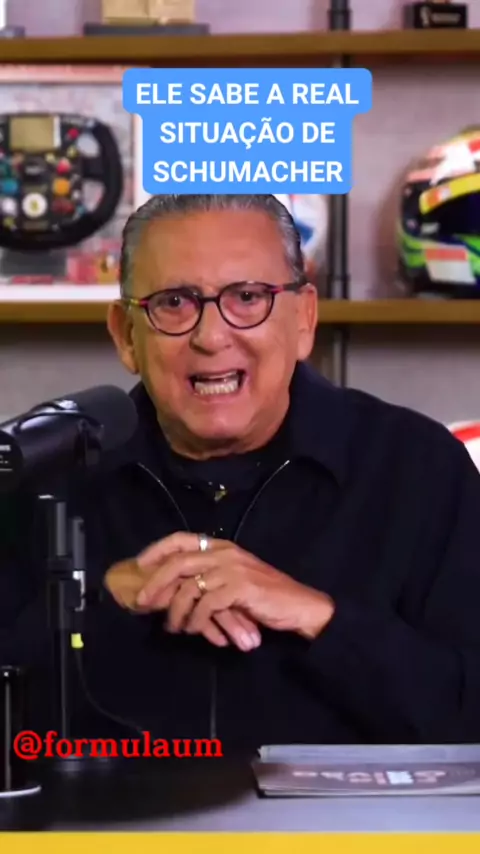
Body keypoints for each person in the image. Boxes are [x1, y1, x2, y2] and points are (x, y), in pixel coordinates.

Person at [2, 192, 480, 753]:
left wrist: (319, 619)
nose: (211, 337)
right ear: (126, 334)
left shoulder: (418, 467)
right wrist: (94, 605)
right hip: (106, 814)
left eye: (248, 297)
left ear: (304, 319)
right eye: (174, 302)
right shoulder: (43, 477)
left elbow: (467, 713)